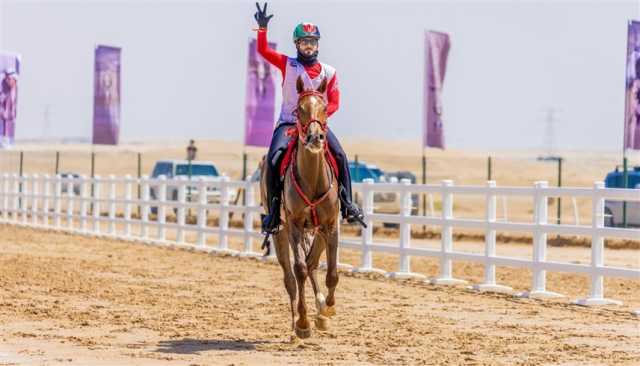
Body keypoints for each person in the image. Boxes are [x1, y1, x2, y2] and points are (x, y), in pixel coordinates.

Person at [253, 2, 364, 234]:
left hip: (317, 125)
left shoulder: (329, 72)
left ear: (317, 45)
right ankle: (273, 212)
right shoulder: (288, 64)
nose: (309, 46)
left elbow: (334, 102)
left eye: (312, 42)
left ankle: (347, 205)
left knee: (341, 156)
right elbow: (263, 52)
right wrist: (262, 29)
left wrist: (318, 120)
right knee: (274, 160)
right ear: (297, 44)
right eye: (304, 42)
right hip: (287, 123)